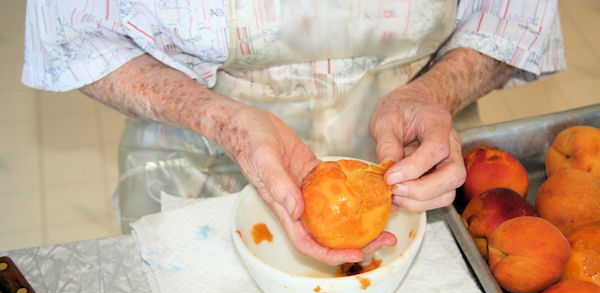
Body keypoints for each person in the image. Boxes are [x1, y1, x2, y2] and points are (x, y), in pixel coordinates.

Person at [22, 0, 565, 265]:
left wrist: (433, 94)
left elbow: (514, 17)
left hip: (415, 164)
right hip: (200, 160)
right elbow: (74, 38)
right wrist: (222, 120)